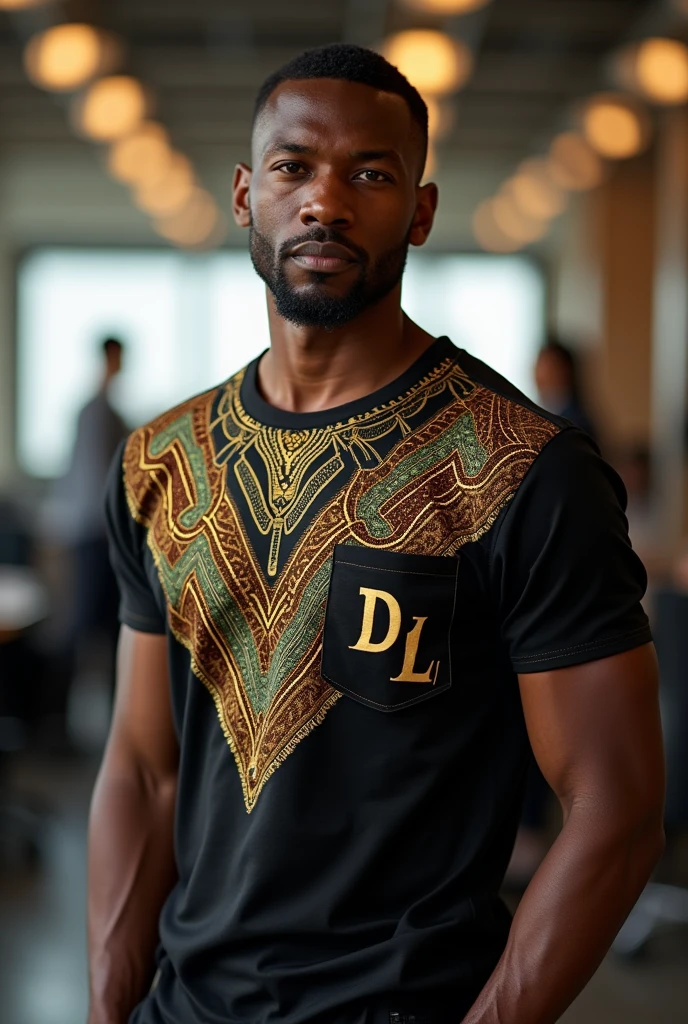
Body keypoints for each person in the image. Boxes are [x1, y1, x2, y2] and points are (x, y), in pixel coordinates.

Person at [88, 45, 665, 1024]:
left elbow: (617, 810)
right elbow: (143, 769)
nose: (325, 200)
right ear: (244, 193)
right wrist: (109, 1009)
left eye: (369, 173)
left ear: (421, 210)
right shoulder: (160, 463)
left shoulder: (525, 471)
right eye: (293, 166)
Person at [534, 337, 597, 439]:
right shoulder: (541, 411)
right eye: (538, 366)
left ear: (565, 371)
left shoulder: (577, 421)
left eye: (548, 367)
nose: (540, 374)